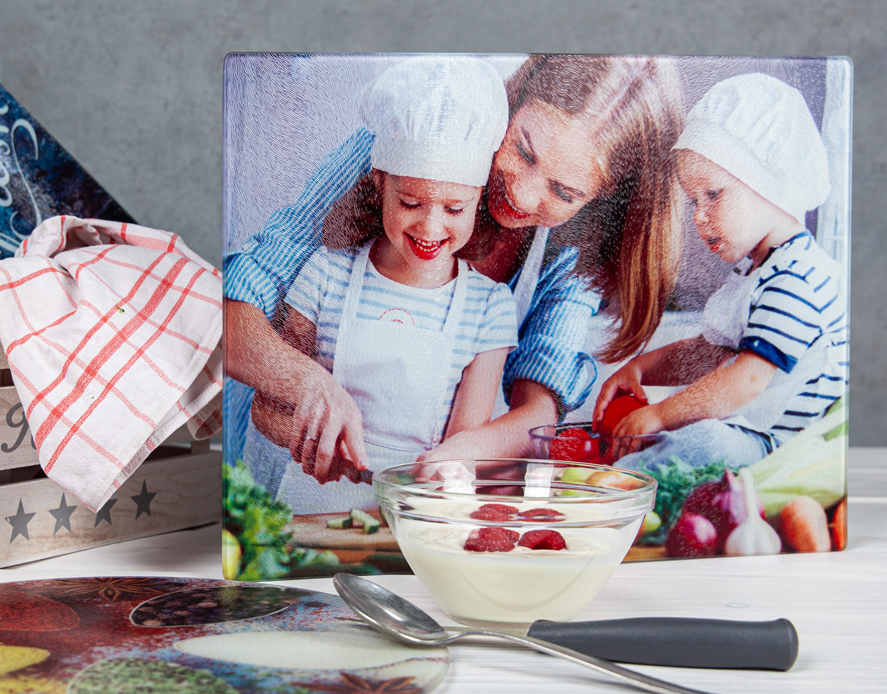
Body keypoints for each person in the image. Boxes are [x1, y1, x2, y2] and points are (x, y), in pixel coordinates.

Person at [225, 55, 684, 484]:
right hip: (261, 457)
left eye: (563, 192)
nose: (522, 197)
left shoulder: (571, 246)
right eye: (524, 151)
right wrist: (310, 384)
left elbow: (538, 407)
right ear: (516, 100)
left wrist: (455, 456)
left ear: (602, 201)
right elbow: (235, 309)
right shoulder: (412, 131)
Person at [243, 57, 517, 512]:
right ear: (380, 182)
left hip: (414, 517)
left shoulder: (489, 307)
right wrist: (316, 444)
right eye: (411, 202)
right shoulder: (326, 274)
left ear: (477, 199)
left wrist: (438, 482)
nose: (431, 227)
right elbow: (264, 408)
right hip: (309, 508)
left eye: (454, 209)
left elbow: (466, 446)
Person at [594, 73, 848, 469]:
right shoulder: (757, 269)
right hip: (754, 435)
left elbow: (747, 379)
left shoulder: (796, 277)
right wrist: (638, 369)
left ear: (769, 178)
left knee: (703, 440)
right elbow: (708, 352)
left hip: (789, 452)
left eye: (713, 194)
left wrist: (660, 414)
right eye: (694, 200)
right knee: (690, 435)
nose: (699, 217)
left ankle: (618, 488)